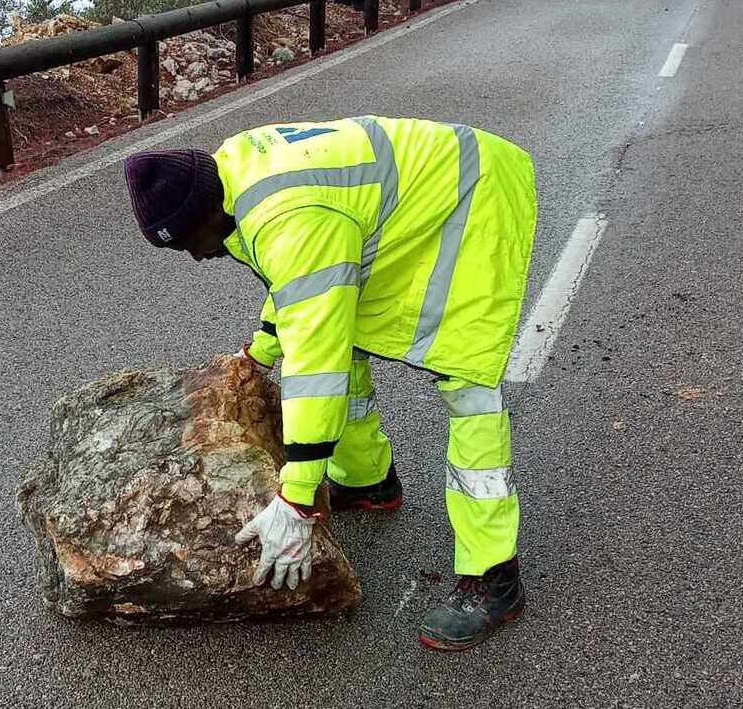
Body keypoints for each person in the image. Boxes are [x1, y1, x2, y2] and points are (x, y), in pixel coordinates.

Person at [124, 115, 536, 651]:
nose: (198, 257)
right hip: (404, 203)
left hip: (474, 195)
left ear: (209, 210)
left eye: (190, 243)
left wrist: (296, 498)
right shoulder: (230, 173)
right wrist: (262, 349)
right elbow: (303, 291)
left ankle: (494, 575)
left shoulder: (287, 217)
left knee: (468, 384)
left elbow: (316, 360)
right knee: (350, 331)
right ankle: (368, 481)